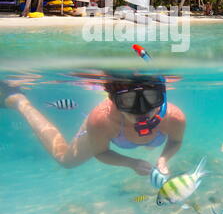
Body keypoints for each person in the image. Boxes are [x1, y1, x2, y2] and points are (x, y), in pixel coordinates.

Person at [1, 74, 186, 177]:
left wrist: (163, 159)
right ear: (113, 101)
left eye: (151, 98)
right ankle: (19, 101)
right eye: (128, 101)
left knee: (148, 143)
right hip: (110, 128)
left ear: (162, 96)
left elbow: (175, 142)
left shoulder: (175, 117)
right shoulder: (101, 121)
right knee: (66, 160)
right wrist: (132, 163)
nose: (142, 110)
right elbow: (101, 152)